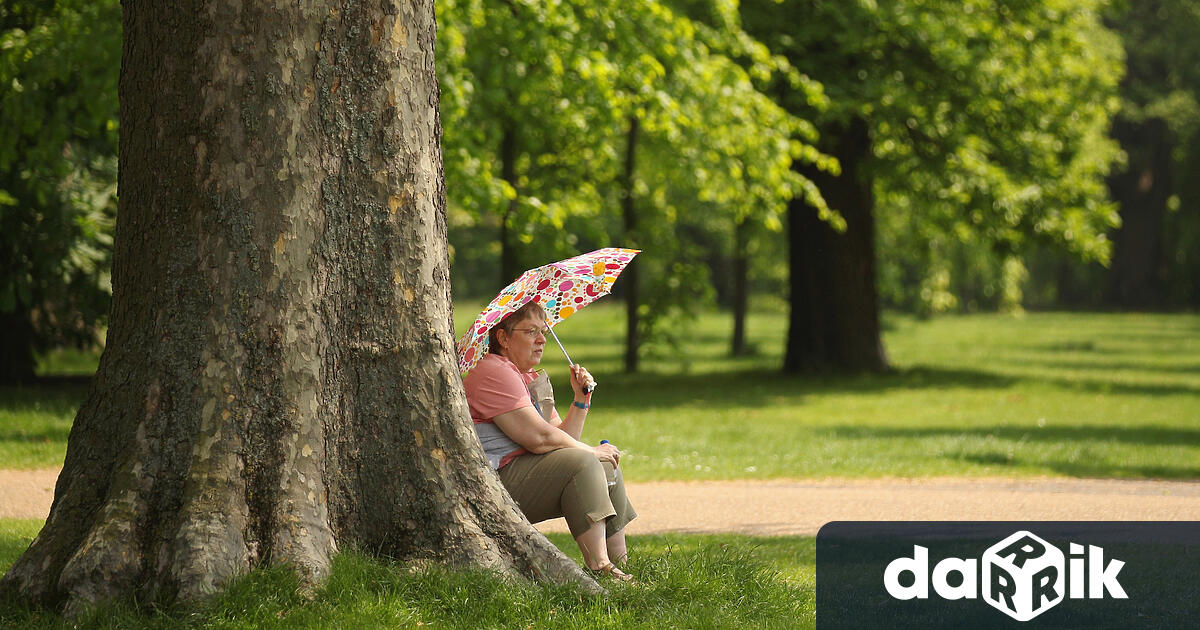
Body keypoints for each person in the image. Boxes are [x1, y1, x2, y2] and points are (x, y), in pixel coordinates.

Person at [463, 301, 637, 582]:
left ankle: (622, 565)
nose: (542, 339)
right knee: (585, 461)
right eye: (531, 331)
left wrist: (581, 401)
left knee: (606, 468)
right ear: (504, 338)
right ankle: (601, 567)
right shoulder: (493, 370)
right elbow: (540, 439)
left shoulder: (529, 377)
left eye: (543, 331)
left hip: (524, 472)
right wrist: (591, 451)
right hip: (494, 484)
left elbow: (561, 439)